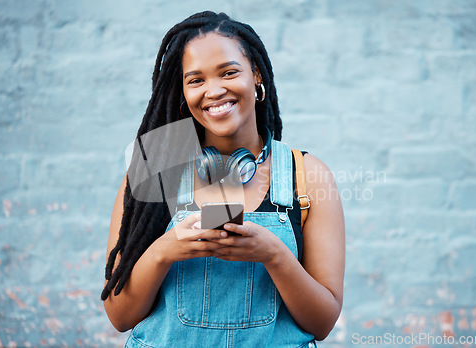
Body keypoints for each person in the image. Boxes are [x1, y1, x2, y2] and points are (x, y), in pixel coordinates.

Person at [101, 11, 345, 348]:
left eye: (229, 72)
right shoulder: (155, 164)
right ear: (183, 92)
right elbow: (119, 315)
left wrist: (274, 255)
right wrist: (164, 251)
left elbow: (322, 323)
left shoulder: (308, 174)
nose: (214, 91)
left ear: (256, 74)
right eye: (196, 80)